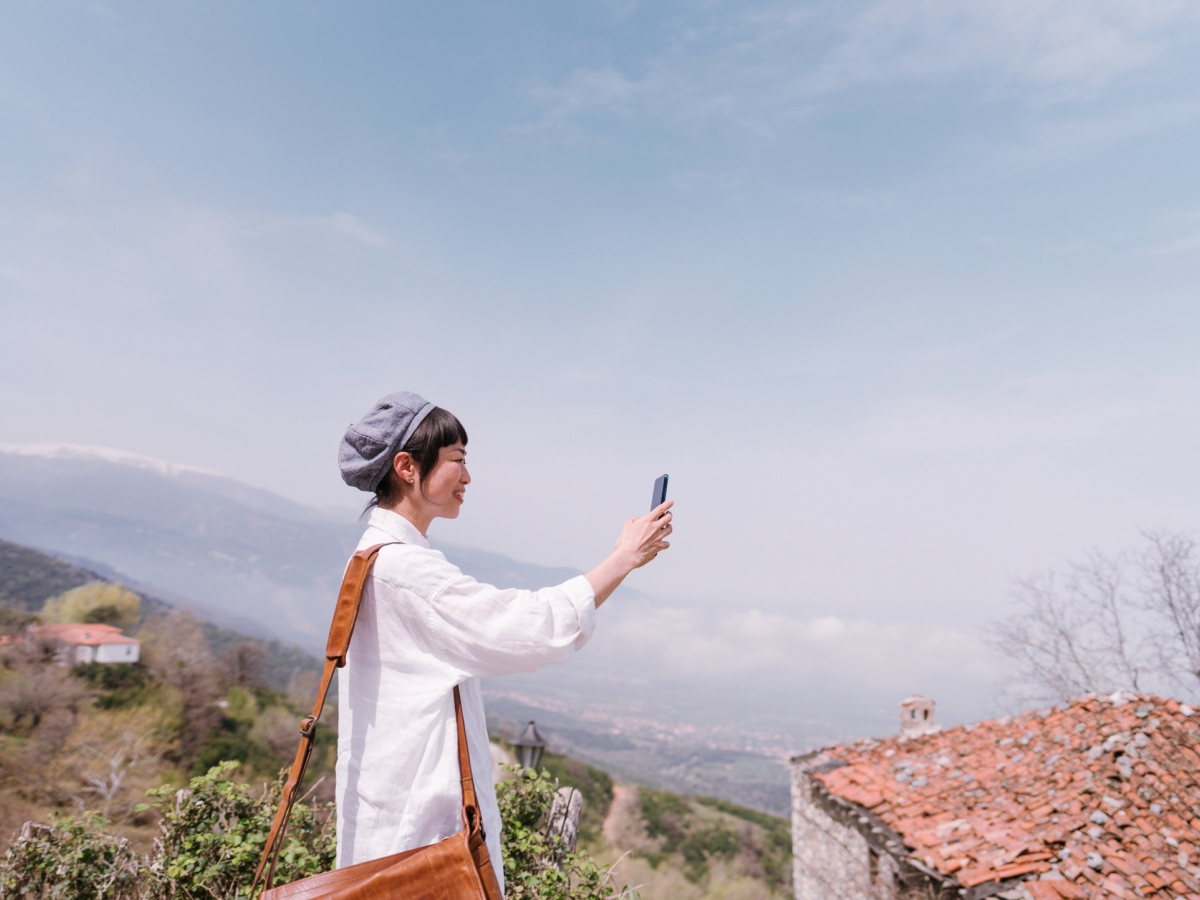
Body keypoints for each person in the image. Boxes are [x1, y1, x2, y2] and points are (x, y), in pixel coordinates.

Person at [335, 391, 673, 893]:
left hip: (394, 837)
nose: (468, 478)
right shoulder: (406, 571)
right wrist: (623, 557)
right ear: (407, 467)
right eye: (457, 461)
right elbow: (527, 628)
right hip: (421, 845)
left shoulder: (373, 557)